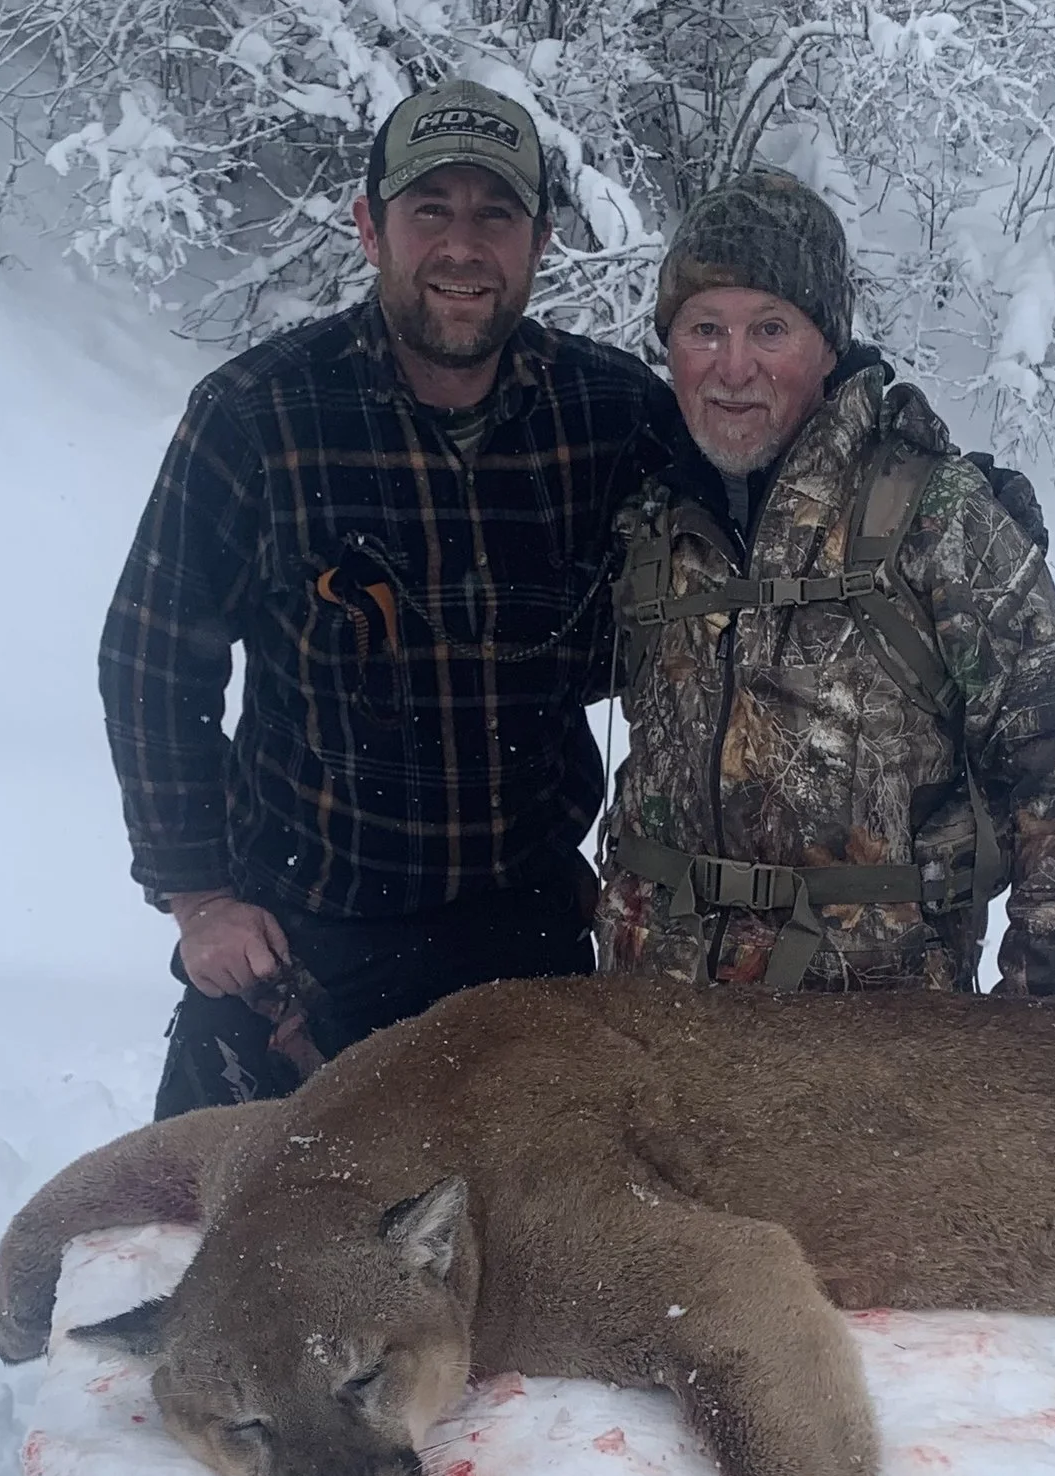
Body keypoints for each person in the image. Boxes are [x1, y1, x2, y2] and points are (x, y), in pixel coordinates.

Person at [100, 79, 674, 1117]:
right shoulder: (261, 416)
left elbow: (758, 505)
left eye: (495, 215)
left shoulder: (610, 413)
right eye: (430, 211)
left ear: (540, 242)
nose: (463, 246)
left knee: (524, 1218)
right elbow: (153, 660)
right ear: (371, 229)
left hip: (528, 936)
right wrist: (200, 897)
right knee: (204, 1213)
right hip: (306, 943)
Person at [600, 171, 1055, 996]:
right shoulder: (648, 520)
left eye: (770, 329)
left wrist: (1038, 1017)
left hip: (872, 1038)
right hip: (654, 1021)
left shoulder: (929, 512)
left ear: (828, 343)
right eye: (704, 329)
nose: (733, 368)